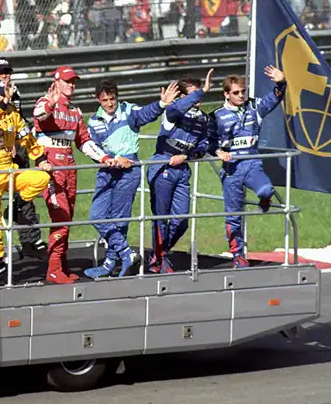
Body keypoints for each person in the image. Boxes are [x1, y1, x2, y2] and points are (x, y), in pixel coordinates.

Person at [83, 78, 179, 279]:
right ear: (97, 100)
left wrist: (162, 104)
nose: (109, 104)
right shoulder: (94, 121)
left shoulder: (129, 111)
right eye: (105, 100)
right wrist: (110, 159)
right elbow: (93, 147)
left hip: (129, 170)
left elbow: (145, 114)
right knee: (96, 215)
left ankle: (110, 263)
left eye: (112, 99)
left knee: (120, 218)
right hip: (106, 170)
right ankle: (127, 254)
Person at [33, 66, 114, 284]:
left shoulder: (75, 110)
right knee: (61, 220)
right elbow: (39, 115)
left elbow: (84, 141)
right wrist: (50, 102)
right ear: (57, 82)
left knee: (66, 219)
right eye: (68, 81)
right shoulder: (44, 102)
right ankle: (53, 268)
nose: (71, 85)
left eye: (74, 82)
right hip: (51, 171)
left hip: (70, 170)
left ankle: (61, 265)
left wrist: (104, 158)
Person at [0, 80, 52, 285]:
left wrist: (40, 159)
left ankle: (16, 208)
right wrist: (1, 106)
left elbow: (28, 139)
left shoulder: (13, 115)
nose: (9, 97)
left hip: (9, 170)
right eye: (3, 94)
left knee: (41, 178)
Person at [208, 65, 286, 269]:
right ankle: (238, 255)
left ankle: (265, 200)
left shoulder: (254, 107)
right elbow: (208, 142)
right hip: (231, 170)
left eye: (243, 91)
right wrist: (218, 152)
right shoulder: (216, 115)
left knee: (266, 189)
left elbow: (276, 97)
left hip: (252, 164)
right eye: (236, 92)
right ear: (226, 94)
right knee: (233, 216)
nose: (241, 95)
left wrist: (280, 82)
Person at [148, 71, 213, 274]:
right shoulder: (172, 112)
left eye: (200, 95)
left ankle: (160, 253)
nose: (198, 99)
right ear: (183, 97)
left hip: (183, 169)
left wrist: (187, 156)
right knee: (161, 217)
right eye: (194, 95)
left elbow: (203, 146)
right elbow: (174, 111)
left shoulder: (203, 120)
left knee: (182, 220)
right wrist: (202, 90)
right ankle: (160, 259)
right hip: (162, 166)